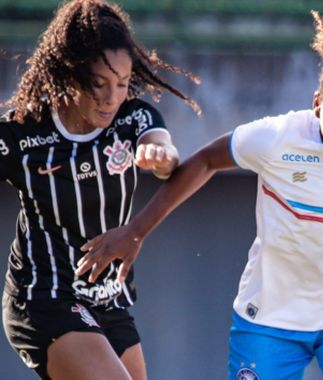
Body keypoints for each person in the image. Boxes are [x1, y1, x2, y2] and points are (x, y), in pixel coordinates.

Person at [75, 1, 323, 379]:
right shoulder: (278, 137)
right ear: (317, 102)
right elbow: (205, 160)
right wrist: (136, 231)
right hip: (270, 317)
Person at [0, 0, 201, 379]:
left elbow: (165, 151)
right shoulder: (23, 134)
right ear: (68, 74)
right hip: (45, 296)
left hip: (107, 300)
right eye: (99, 84)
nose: (112, 97)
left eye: (122, 84)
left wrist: (161, 157)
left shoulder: (133, 118)